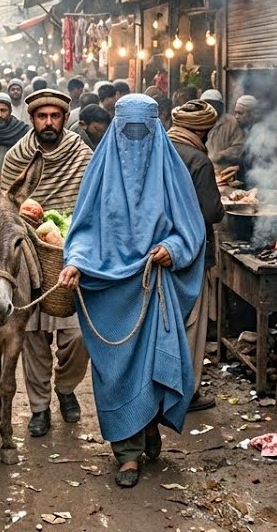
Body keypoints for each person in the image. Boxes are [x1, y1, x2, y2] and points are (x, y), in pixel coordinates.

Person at [58, 94, 207, 488]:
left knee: (155, 365)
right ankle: (126, 453)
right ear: (115, 130)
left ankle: (148, 424)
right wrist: (75, 262)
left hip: (154, 287)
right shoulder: (100, 171)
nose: (135, 141)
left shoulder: (172, 171)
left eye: (143, 132)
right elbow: (84, 229)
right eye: (128, 132)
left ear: (156, 129)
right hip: (108, 291)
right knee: (116, 372)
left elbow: (191, 227)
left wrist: (173, 248)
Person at [0, 88, 94, 437]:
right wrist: (21, 219)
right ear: (32, 119)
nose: (49, 122)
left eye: (55, 116)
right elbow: (4, 207)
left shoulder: (82, 154)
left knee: (77, 336)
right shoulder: (16, 157)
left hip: (72, 257)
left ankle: (66, 388)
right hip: (27, 258)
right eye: (42, 116)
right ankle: (39, 408)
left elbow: (93, 202)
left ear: (65, 118)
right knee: (33, 337)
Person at [166, 100, 225, 411]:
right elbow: (211, 212)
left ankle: (163, 386)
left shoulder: (160, 147)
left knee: (166, 323)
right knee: (192, 327)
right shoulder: (198, 160)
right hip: (191, 253)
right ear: (204, 131)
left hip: (162, 251)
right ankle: (186, 394)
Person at [207, 94, 254, 172]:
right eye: (235, 113)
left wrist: (221, 155)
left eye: (240, 113)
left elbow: (239, 149)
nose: (236, 117)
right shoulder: (203, 122)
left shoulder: (233, 123)